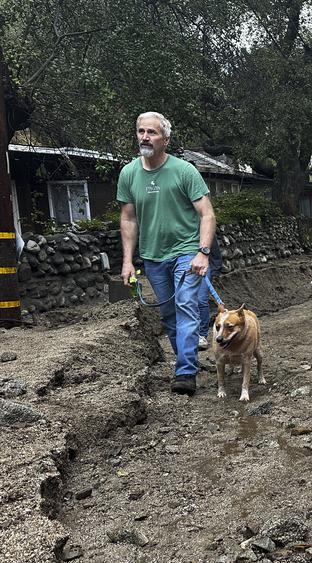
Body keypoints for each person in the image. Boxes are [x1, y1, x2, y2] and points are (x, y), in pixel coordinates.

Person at [118, 111, 216, 395]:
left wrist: (203, 252)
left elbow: (207, 214)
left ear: (166, 139)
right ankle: (188, 361)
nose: (145, 137)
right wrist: (127, 261)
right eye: (141, 131)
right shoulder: (128, 173)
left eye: (152, 132)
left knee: (186, 307)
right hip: (152, 256)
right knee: (169, 316)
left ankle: (185, 373)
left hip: (186, 251)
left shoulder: (185, 171)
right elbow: (128, 219)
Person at [196, 235, 223, 350]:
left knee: (201, 299)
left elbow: (214, 246)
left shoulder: (203, 224)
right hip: (184, 265)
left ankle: (202, 335)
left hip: (204, 265)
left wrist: (216, 268)